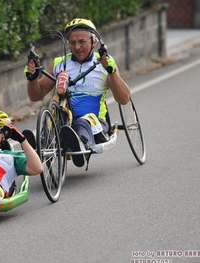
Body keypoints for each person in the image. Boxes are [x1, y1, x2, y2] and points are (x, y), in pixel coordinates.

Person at [25, 18, 130, 167]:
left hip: (95, 122)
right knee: (53, 116)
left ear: (94, 42)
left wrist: (112, 72)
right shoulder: (58, 64)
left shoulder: (104, 63)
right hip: (64, 121)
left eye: (82, 41)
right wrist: (32, 78)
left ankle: (81, 143)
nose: (77, 47)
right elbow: (36, 95)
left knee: (83, 122)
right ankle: (38, 144)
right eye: (72, 43)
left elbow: (124, 98)